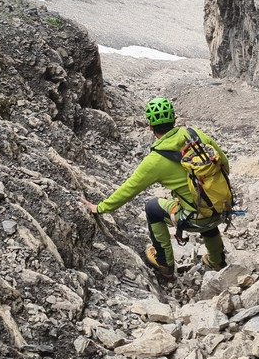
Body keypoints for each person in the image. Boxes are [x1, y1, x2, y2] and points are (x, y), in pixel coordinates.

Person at [81, 97, 230, 279]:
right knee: (203, 200)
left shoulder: (155, 160)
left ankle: (164, 263)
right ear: (174, 119)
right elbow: (225, 164)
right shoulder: (195, 135)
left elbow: (129, 190)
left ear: (150, 127)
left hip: (198, 219)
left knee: (153, 208)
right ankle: (217, 260)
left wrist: (100, 208)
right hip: (221, 207)